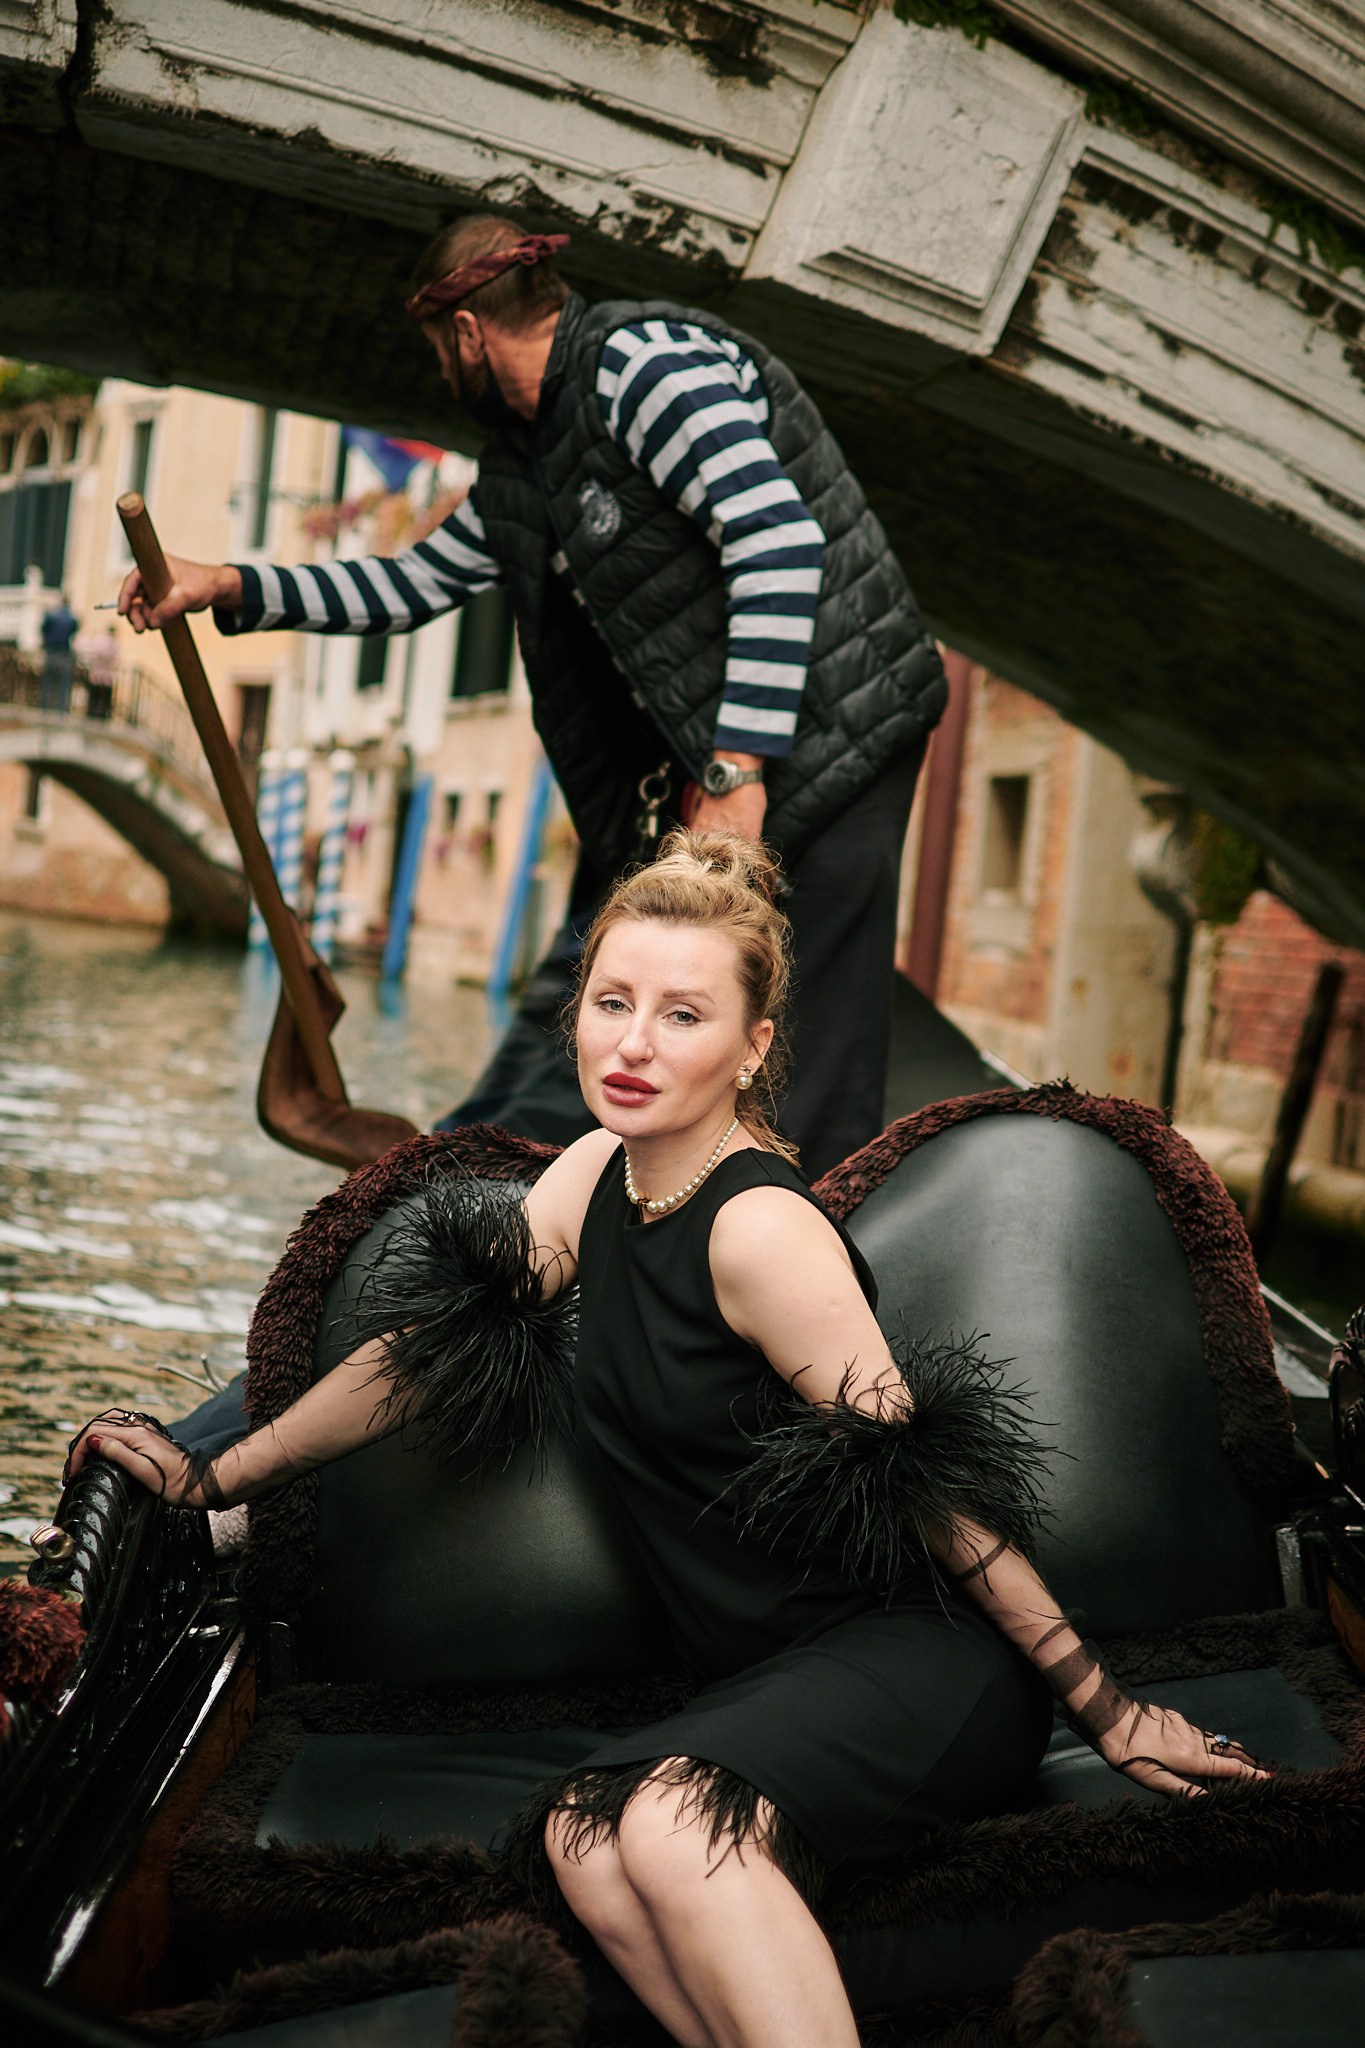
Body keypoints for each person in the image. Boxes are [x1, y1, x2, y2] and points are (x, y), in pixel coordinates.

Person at [68, 832, 1267, 2048]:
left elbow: (932, 1488)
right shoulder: (595, 1173)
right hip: (762, 1674)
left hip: (921, 1661)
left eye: (683, 1013)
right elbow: (429, 1358)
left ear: (753, 1046)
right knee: (584, 1829)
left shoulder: (760, 1231)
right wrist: (212, 1469)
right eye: (612, 1002)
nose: (633, 1044)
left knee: (673, 1825)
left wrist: (1104, 1707)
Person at [117, 217, 948, 1179]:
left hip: (841, 726)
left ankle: (808, 1248)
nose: (439, 373)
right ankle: (479, 1195)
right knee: (596, 986)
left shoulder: (643, 367)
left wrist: (735, 768)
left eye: (439, 351)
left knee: (818, 1035)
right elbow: (410, 586)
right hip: (681, 777)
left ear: (468, 333)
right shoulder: (524, 465)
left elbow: (776, 540)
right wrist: (226, 583)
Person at [40, 592, 78, 713]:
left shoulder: (52, 616)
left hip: (52, 650)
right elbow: (74, 630)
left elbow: (43, 628)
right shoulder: (71, 619)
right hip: (64, 652)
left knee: (49, 680)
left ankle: (45, 705)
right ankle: (61, 708)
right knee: (63, 683)